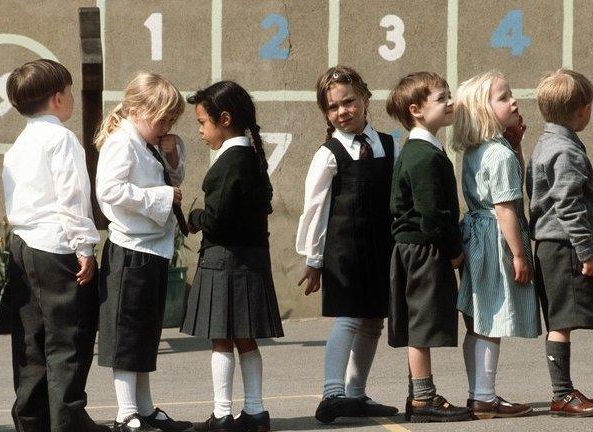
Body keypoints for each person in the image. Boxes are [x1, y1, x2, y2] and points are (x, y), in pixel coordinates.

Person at [3, 59, 106, 432]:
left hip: (22, 245)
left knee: (31, 339)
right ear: (59, 98)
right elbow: (73, 196)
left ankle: (31, 419)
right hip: (55, 247)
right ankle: (68, 419)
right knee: (69, 337)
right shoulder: (61, 138)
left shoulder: (18, 144)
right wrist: (85, 247)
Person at [296, 65, 399, 424]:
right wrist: (314, 258)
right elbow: (315, 208)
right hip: (344, 252)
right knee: (347, 317)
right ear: (326, 112)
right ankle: (332, 392)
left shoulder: (389, 145)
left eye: (349, 102)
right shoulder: (329, 153)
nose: (343, 112)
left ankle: (356, 394)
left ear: (365, 98)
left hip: (380, 247)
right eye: (333, 107)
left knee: (373, 320)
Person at [180, 80, 284, 432]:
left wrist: (193, 218)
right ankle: (255, 412)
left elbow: (218, 220)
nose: (200, 131)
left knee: (222, 339)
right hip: (251, 260)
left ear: (224, 119)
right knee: (246, 338)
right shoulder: (252, 158)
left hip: (225, 261)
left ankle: (222, 415)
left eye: (202, 123)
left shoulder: (229, 163)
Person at [94, 72, 193, 432]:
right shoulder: (122, 143)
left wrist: (171, 158)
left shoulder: (148, 142)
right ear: (136, 110)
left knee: (146, 332)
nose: (166, 126)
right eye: (161, 118)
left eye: (171, 119)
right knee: (127, 333)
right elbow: (110, 191)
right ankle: (126, 413)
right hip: (130, 250)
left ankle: (145, 409)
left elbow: (169, 179)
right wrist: (162, 198)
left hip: (151, 248)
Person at [452, 70, 540, 419]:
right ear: (483, 112)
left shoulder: (479, 151)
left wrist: (517, 144)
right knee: (492, 319)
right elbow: (507, 207)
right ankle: (485, 396)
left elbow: (508, 187)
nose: (513, 101)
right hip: (495, 239)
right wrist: (519, 254)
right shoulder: (499, 155)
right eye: (503, 97)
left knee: (477, 321)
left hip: (475, 234)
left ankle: (479, 393)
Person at [385, 71, 472, 423]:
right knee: (420, 326)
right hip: (423, 250)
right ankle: (423, 399)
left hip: (414, 249)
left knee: (417, 323)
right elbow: (433, 214)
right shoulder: (423, 157)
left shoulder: (421, 150)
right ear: (416, 110)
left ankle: (416, 393)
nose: (450, 102)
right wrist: (453, 250)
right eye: (441, 98)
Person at [527, 68, 593, 417]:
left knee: (560, 320)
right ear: (583, 110)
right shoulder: (566, 152)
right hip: (563, 247)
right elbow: (568, 204)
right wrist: (586, 251)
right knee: (561, 322)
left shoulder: (545, 143)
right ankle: (562, 394)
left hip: (549, 245)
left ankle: (564, 391)